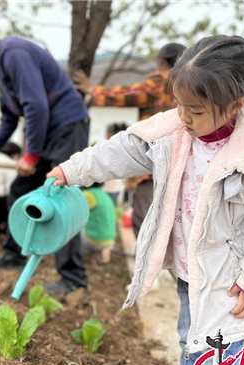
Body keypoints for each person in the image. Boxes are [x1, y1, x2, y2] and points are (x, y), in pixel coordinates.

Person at [48, 35, 244, 365]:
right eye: (179, 105)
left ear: (236, 105)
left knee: (219, 357)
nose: (184, 116)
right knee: (190, 337)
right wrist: (74, 170)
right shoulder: (173, 131)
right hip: (190, 267)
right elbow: (120, 151)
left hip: (230, 280)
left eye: (196, 110)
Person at [0, 15, 90, 295]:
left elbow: (37, 107)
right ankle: (15, 254)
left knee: (62, 195)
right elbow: (8, 119)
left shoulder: (15, 53)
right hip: (46, 134)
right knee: (21, 189)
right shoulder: (1, 70)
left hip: (66, 127)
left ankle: (73, 277)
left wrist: (30, 156)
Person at [74, 43, 187, 238]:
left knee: (146, 224)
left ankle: (154, 267)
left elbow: (131, 94)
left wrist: (94, 91)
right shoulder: (189, 84)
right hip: (179, 162)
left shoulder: (164, 81)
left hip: (154, 164)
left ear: (161, 62)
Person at [81, 182, 116, 264]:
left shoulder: (88, 195)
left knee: (75, 228)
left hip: (94, 239)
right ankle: (102, 251)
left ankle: (92, 250)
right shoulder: (104, 195)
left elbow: (76, 213)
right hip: (110, 239)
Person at [102, 123, 128, 205]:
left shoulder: (111, 149)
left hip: (107, 188)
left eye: (107, 134)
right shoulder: (122, 149)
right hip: (115, 188)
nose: (106, 136)